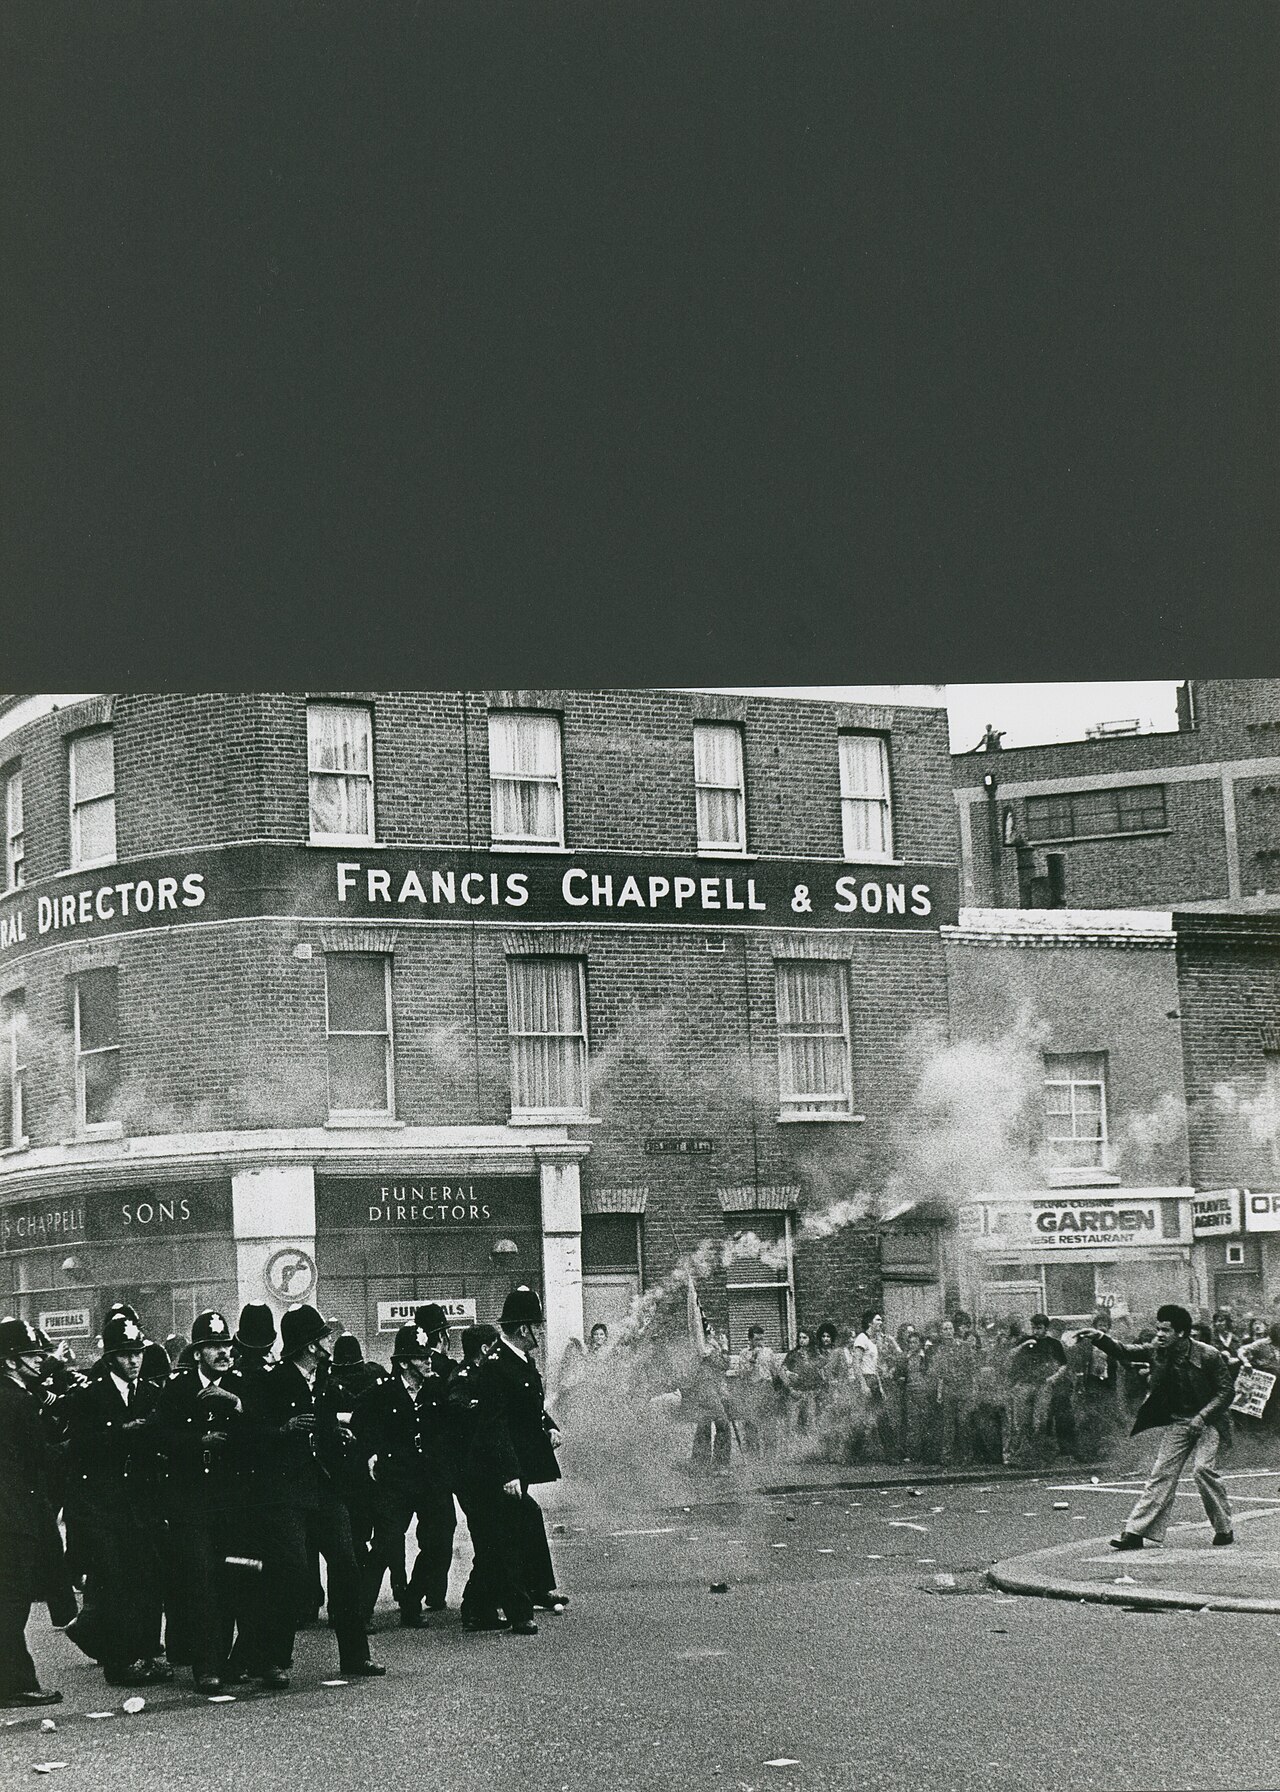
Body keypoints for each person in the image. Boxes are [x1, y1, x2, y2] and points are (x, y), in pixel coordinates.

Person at [236, 1304, 384, 1687]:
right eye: (323, 1337)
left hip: (325, 1488)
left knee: (347, 1566)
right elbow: (249, 1436)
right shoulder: (270, 1381)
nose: (328, 1342)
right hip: (285, 1491)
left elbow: (329, 1424)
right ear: (307, 1345)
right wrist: (283, 1430)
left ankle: (355, 1655)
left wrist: (340, 1435)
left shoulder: (325, 1379)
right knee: (290, 1575)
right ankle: (272, 1660)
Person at [59, 1312, 171, 1689]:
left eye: (138, 1352)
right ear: (109, 1358)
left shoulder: (151, 1393)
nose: (134, 1361)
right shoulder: (91, 1395)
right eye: (125, 1354)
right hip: (104, 1504)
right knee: (117, 1582)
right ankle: (121, 1664)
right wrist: (120, 1434)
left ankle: (138, 1650)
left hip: (141, 1502)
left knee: (145, 1579)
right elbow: (77, 1448)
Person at [1077, 1303, 1235, 1550]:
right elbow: (1125, 1351)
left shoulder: (1208, 1354)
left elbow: (1227, 1391)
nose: (1160, 1334)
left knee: (1202, 1470)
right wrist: (1099, 1337)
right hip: (1179, 1421)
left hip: (1211, 1421)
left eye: (1166, 1330)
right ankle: (1136, 1532)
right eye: (1158, 1329)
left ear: (1181, 1333)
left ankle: (1224, 1527)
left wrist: (1202, 1417)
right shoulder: (1156, 1351)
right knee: (1161, 1474)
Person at [152, 1309, 247, 1693]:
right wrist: (197, 1443)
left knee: (234, 1579)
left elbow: (260, 1437)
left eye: (226, 1345)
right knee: (201, 1582)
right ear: (197, 1353)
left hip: (232, 1499)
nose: (224, 1353)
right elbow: (159, 1438)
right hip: (191, 1500)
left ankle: (230, 1660)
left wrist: (235, 1403)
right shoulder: (177, 1389)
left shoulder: (242, 1385)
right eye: (213, 1347)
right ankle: (206, 1667)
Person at [473, 1287, 568, 1633]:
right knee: (508, 1535)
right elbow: (494, 1425)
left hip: (516, 1464)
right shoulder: (496, 1367)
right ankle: (517, 1611)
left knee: (516, 1525)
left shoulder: (519, 1361)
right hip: (499, 1469)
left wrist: (549, 1427)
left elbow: (530, 1408)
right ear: (523, 1329)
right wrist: (508, 1473)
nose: (541, 1332)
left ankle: (484, 1606)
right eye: (537, 1326)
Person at [353, 1314, 456, 1627]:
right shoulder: (381, 1394)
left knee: (440, 1538)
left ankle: (412, 1600)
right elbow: (360, 1425)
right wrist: (371, 1454)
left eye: (428, 1356)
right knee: (384, 1544)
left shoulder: (436, 1391)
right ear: (404, 1363)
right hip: (395, 1481)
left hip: (431, 1482)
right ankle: (361, 1612)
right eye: (422, 1358)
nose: (429, 1362)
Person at [0, 1319, 77, 1708]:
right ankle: (14, 1684)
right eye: (32, 1355)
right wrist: (73, 1443)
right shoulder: (19, 1400)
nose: (41, 1360)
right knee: (12, 1603)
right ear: (11, 1362)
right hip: (15, 1515)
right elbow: (41, 1459)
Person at [1005, 1314, 1069, 1467]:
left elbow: (1063, 1365)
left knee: (1040, 1420)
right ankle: (1022, 1456)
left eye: (1039, 1328)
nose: (1036, 1331)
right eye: (1033, 1327)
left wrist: (1053, 1378)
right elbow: (1010, 1357)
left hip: (1043, 1385)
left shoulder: (1053, 1344)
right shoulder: (1025, 1341)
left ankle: (1042, 1456)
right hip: (1025, 1385)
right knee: (1021, 1420)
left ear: (1046, 1329)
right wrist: (1023, 1345)